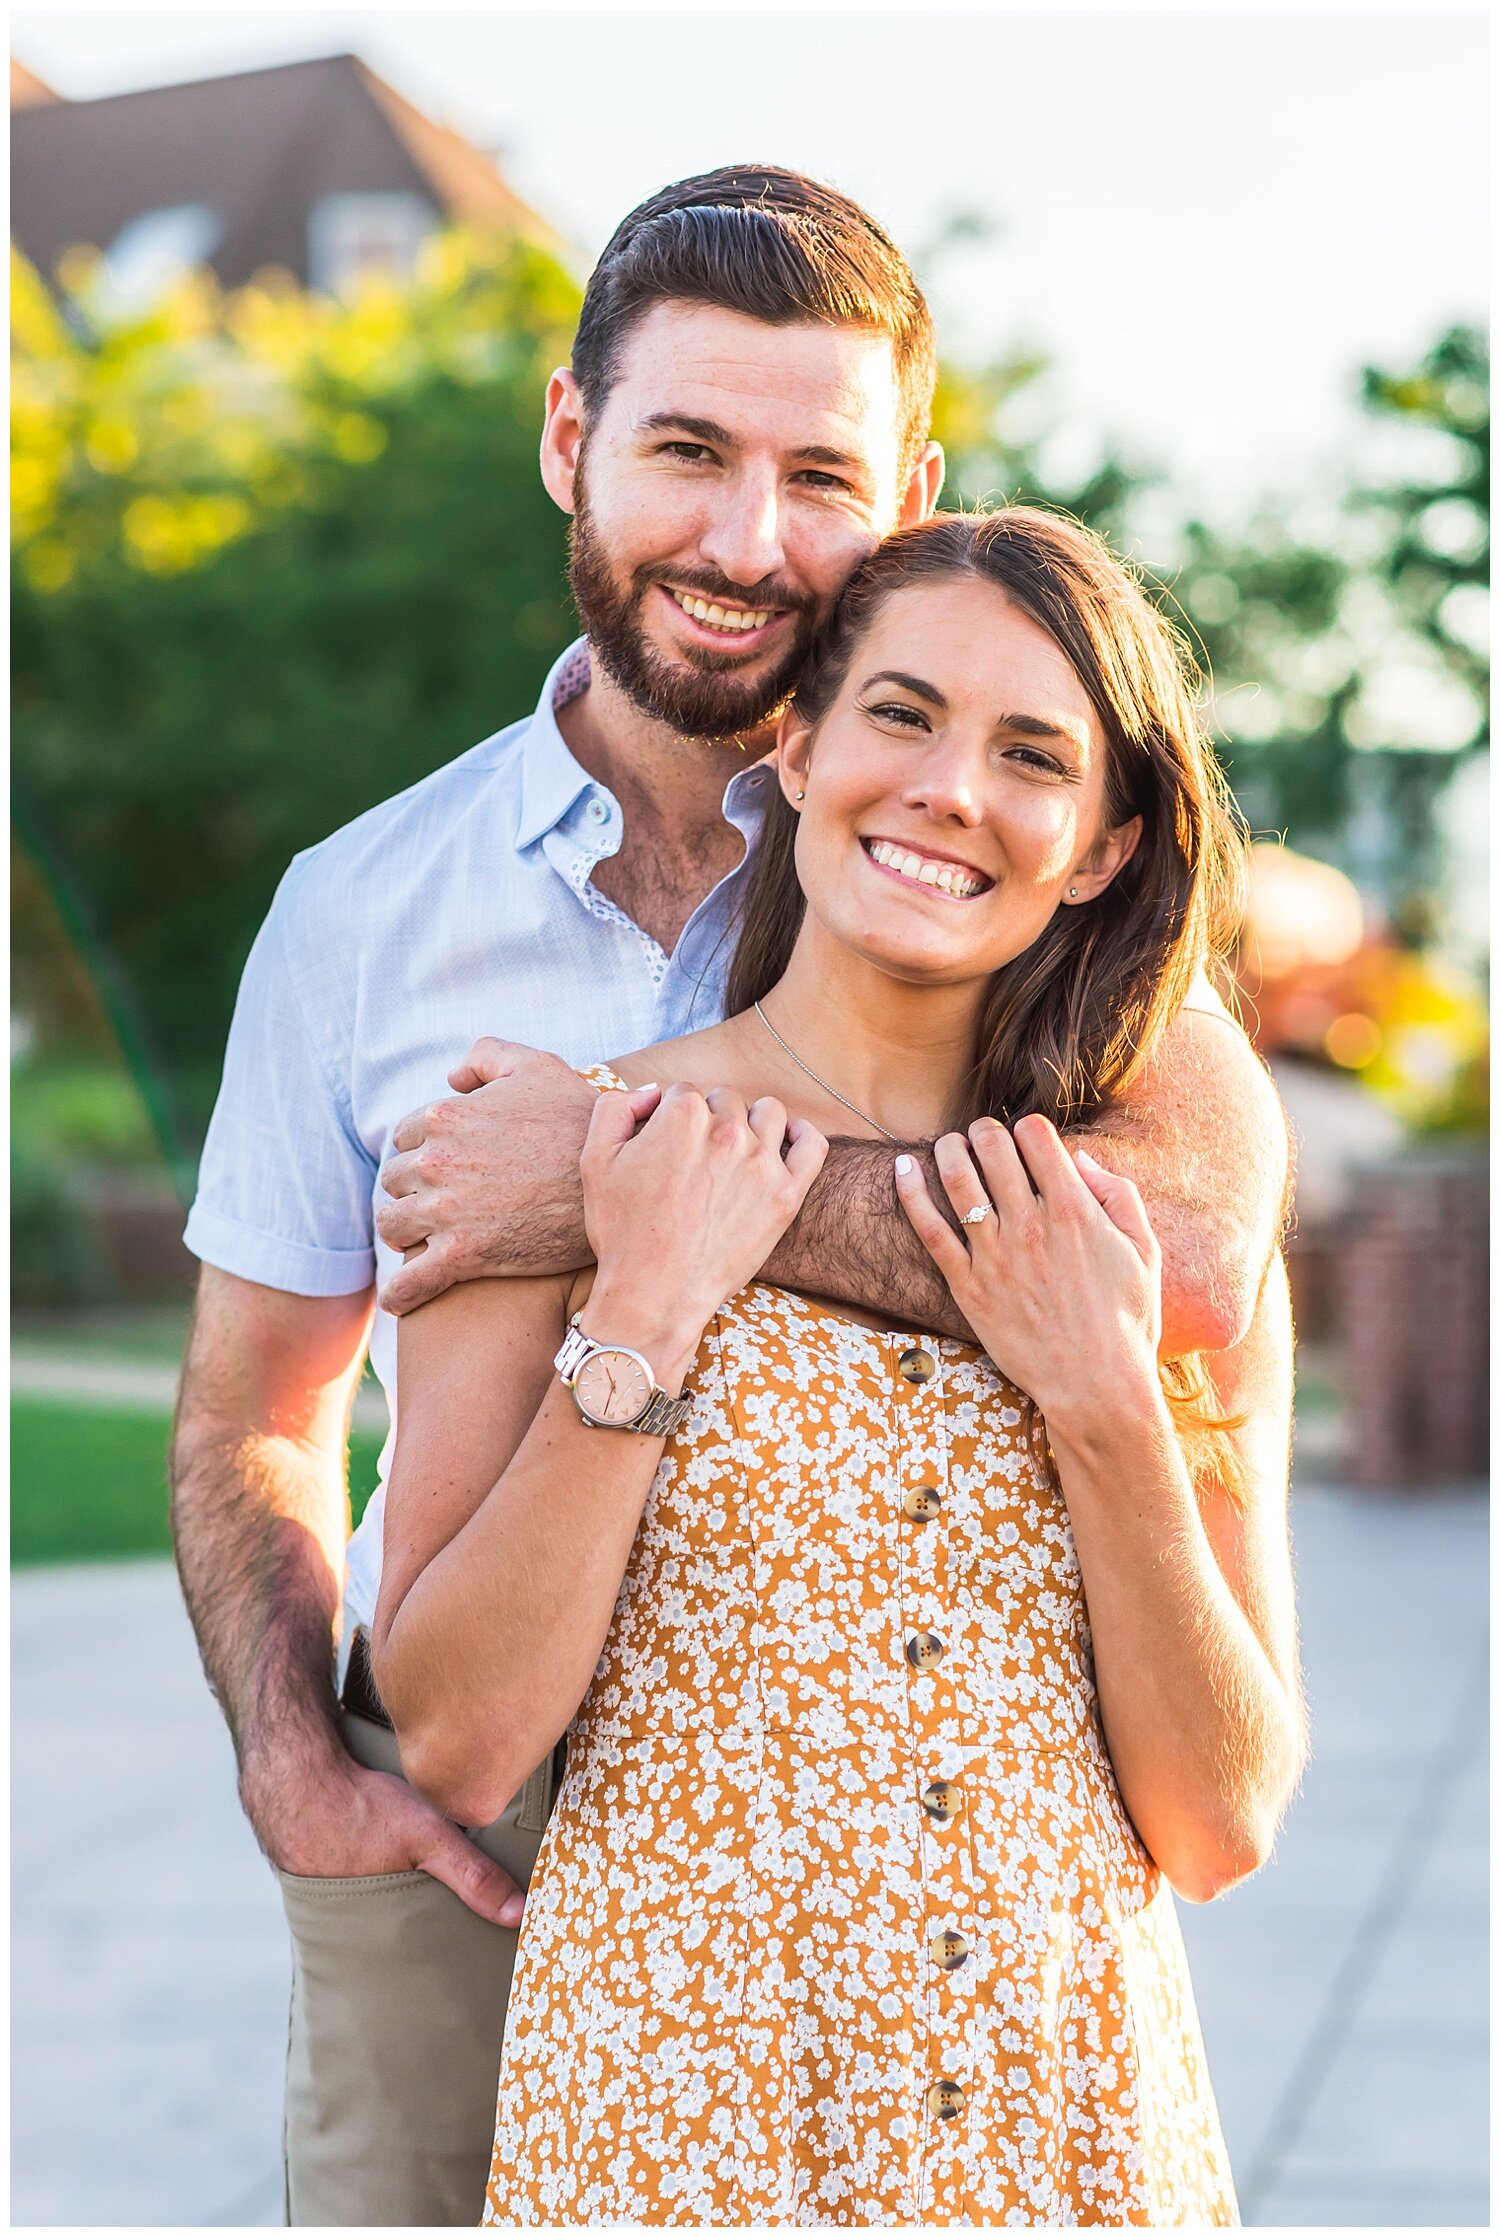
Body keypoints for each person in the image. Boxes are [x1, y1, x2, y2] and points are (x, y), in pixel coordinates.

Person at [169, 168, 1289, 2228]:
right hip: (477, 1847)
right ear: (569, 438)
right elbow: (252, 1403)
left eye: (818, 475)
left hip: (966, 1972)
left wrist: (612, 1185)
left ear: (909, 485)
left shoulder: (1006, 886)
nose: (747, 540)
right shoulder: (358, 916)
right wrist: (288, 1751)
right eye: (686, 450)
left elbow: (1189, 1274)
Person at [373, 507, 1306, 2226]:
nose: (952, 787)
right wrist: (640, 1315)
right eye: (901, 712)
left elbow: (1224, 1816)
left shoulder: (1139, 1248)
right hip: (682, 2122)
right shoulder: (551, 1172)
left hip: (1065, 2124)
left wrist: (1100, 1400)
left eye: (1034, 753)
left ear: (1099, 846)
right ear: (795, 746)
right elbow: (455, 1737)